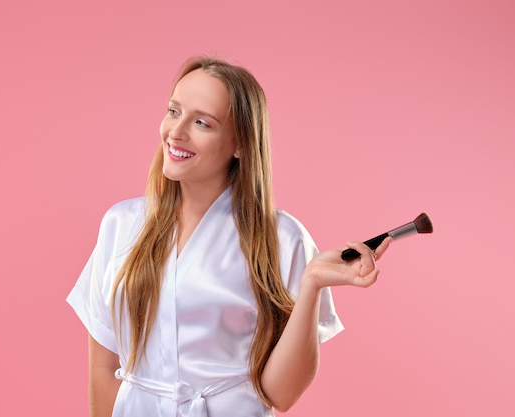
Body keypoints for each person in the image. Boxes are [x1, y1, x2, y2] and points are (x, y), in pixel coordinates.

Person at [66, 56, 391, 417]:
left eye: (202, 122)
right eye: (174, 111)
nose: (176, 132)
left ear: (239, 143)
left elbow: (280, 394)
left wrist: (312, 284)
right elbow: (103, 367)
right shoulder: (121, 224)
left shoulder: (282, 239)